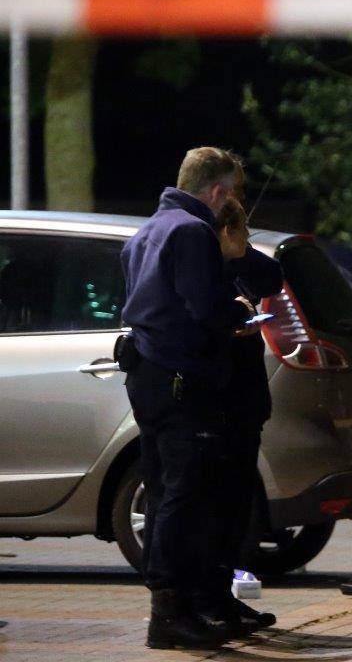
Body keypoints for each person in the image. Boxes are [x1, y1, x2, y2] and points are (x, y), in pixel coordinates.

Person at [120, 147, 254, 649]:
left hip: (147, 373)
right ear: (217, 191)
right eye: (233, 192)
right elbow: (204, 308)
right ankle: (171, 613)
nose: (234, 201)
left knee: (161, 490)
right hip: (182, 376)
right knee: (185, 492)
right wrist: (238, 317)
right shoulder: (193, 231)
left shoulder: (147, 230)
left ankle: (170, 606)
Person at [195, 194, 284, 634]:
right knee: (215, 505)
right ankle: (208, 602)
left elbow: (273, 277)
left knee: (237, 507)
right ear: (225, 232)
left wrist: (243, 251)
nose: (248, 240)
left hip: (246, 401)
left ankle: (229, 599)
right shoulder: (203, 267)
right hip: (221, 400)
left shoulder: (240, 261)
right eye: (242, 232)